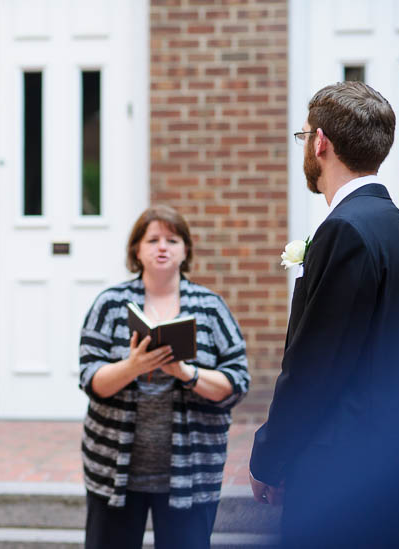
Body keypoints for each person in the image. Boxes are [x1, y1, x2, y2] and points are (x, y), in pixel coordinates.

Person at [249, 81, 399, 548]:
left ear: (321, 142)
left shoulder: (345, 231)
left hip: (336, 472)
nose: (304, 146)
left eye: (303, 135)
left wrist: (270, 457)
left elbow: (315, 367)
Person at [79, 205, 250, 549]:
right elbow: (90, 378)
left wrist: (185, 372)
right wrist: (134, 366)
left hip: (192, 474)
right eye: (152, 239)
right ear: (136, 251)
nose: (162, 247)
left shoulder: (210, 307)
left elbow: (236, 383)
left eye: (172, 240)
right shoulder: (110, 304)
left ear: (185, 250)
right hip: (114, 474)